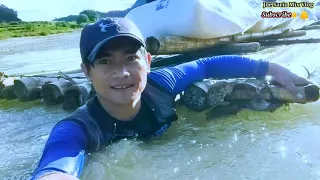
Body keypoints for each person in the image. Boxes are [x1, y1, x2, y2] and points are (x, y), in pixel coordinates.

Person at [31, 17, 310, 180]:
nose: (122, 72)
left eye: (131, 58)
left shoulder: (161, 83)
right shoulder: (79, 128)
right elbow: (57, 165)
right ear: (87, 72)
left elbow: (207, 65)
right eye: (105, 62)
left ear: (149, 62)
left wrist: (274, 69)